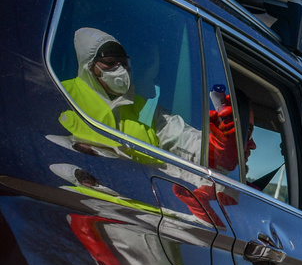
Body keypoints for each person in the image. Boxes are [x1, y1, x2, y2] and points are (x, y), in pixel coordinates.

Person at [59, 27, 238, 172]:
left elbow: (183, 139)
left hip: (134, 212)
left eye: (123, 62)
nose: (120, 69)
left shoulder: (147, 110)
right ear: (89, 66)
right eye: (110, 62)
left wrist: (216, 146)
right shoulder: (61, 93)